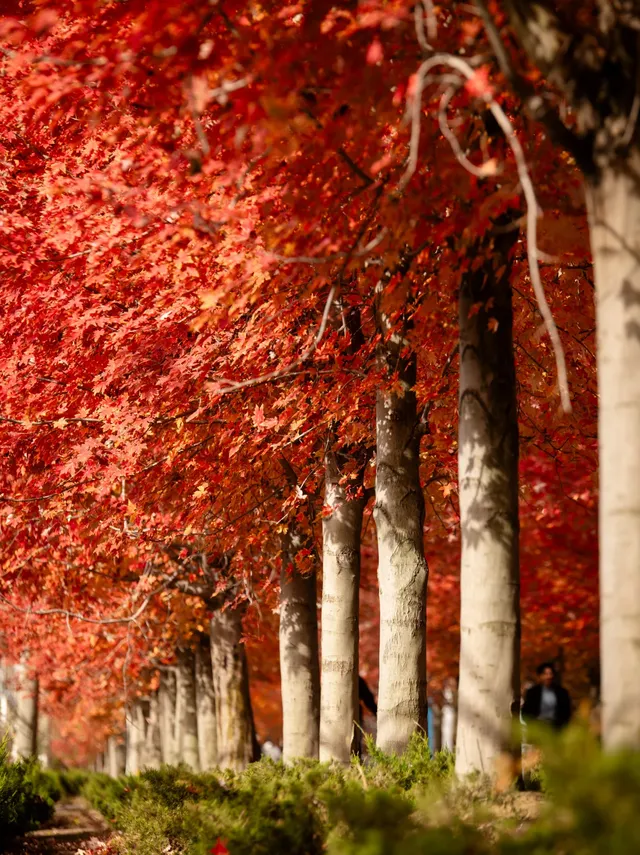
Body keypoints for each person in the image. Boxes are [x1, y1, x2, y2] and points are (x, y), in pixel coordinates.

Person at [522, 662, 571, 730]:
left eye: (550, 674)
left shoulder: (562, 692)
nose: (548, 677)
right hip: (537, 727)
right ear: (540, 676)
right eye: (545, 674)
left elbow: (566, 712)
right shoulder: (532, 692)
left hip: (555, 728)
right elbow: (526, 711)